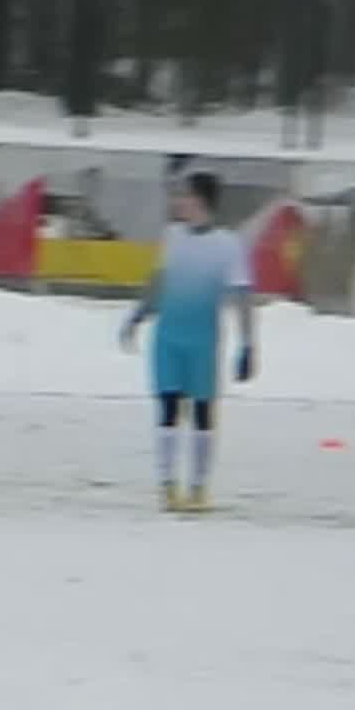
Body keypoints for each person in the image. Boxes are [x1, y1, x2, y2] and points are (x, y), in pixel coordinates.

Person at [119, 170, 261, 513]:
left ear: (200, 200)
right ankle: (168, 485)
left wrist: (248, 344)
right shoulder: (173, 236)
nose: (178, 202)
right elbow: (159, 281)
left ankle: (198, 487)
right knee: (167, 408)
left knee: (202, 413)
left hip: (203, 341)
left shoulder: (227, 245)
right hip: (168, 338)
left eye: (184, 195)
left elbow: (242, 295)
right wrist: (137, 316)